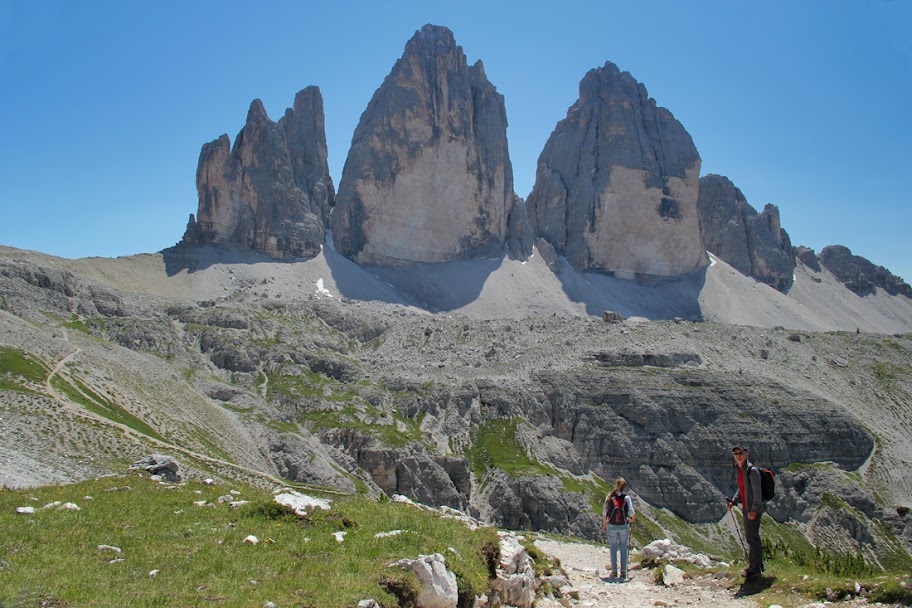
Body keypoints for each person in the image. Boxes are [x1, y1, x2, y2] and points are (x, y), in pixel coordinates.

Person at [727, 445, 764, 581]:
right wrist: (733, 501)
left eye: (740, 453)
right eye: (735, 453)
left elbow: (757, 493)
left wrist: (753, 510)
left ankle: (755, 570)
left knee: (752, 538)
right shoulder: (740, 470)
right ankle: (757, 566)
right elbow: (742, 488)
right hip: (747, 508)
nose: (738, 455)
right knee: (752, 537)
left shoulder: (751, 471)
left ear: (746, 454)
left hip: (752, 509)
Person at [602, 477, 636, 580]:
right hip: (623, 525)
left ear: (616, 485)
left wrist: (605, 524)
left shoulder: (610, 497)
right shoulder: (627, 498)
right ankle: (623, 572)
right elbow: (632, 513)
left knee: (613, 548)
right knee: (623, 548)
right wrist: (631, 520)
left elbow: (604, 512)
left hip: (611, 525)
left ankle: (613, 571)